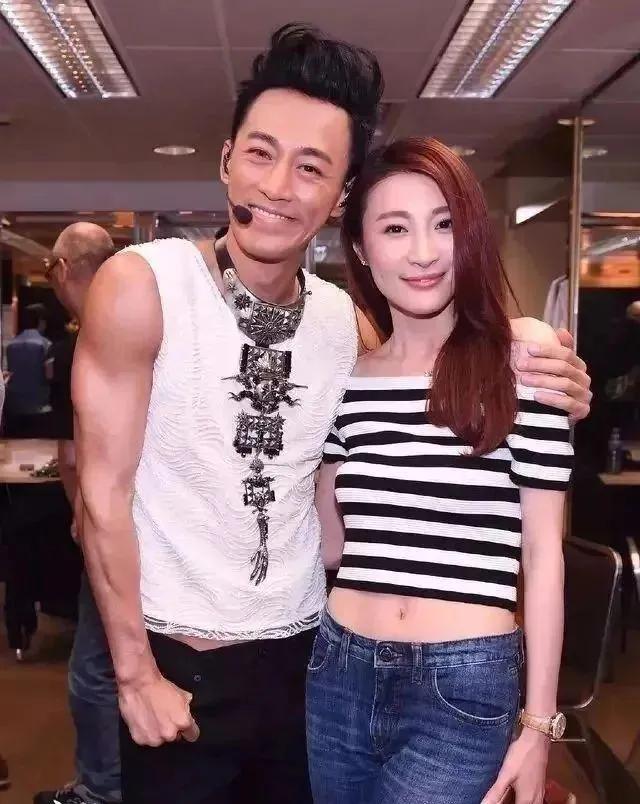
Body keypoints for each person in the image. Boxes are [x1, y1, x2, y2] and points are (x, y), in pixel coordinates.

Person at [72, 25, 591, 804]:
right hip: (184, 667)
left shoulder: (344, 325)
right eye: (261, 153)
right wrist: (134, 672)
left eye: (311, 166)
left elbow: (425, 387)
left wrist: (544, 364)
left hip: (311, 661)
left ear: (340, 195)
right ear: (226, 159)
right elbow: (100, 495)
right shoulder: (143, 285)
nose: (279, 185)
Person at [308, 137, 573, 804]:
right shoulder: (347, 380)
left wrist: (539, 725)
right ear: (362, 248)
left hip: (463, 683)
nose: (423, 252)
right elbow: (333, 544)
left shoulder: (522, 360)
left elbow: (544, 553)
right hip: (339, 669)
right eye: (395, 229)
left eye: (444, 224)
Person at [34, 223, 119, 804]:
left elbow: (71, 455)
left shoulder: (81, 343)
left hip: (107, 521)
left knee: (93, 667)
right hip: (154, 520)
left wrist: (81, 517)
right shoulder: (146, 329)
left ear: (63, 270)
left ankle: (100, 789)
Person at [4, 303, 52, 437]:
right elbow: (49, 376)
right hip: (39, 408)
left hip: (13, 407)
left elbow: (7, 374)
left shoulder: (11, 345)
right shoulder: (46, 344)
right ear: (41, 322)